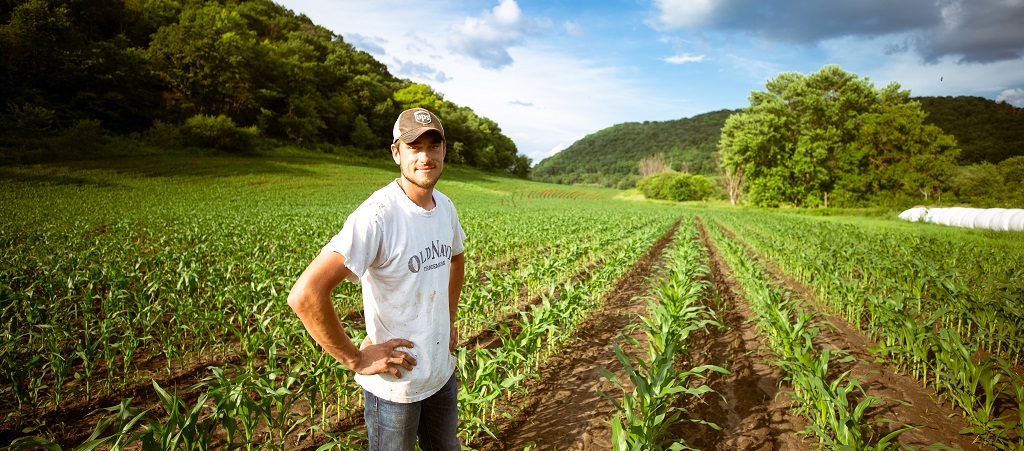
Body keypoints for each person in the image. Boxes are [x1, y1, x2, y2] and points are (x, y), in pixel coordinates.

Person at [288, 107, 465, 451]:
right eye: (414, 147)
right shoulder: (378, 216)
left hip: (441, 374)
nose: (425, 156)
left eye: (433, 145)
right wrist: (356, 358)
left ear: (444, 150)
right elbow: (306, 294)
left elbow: (456, 257)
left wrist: (450, 317)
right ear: (397, 153)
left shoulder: (445, 207)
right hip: (396, 387)